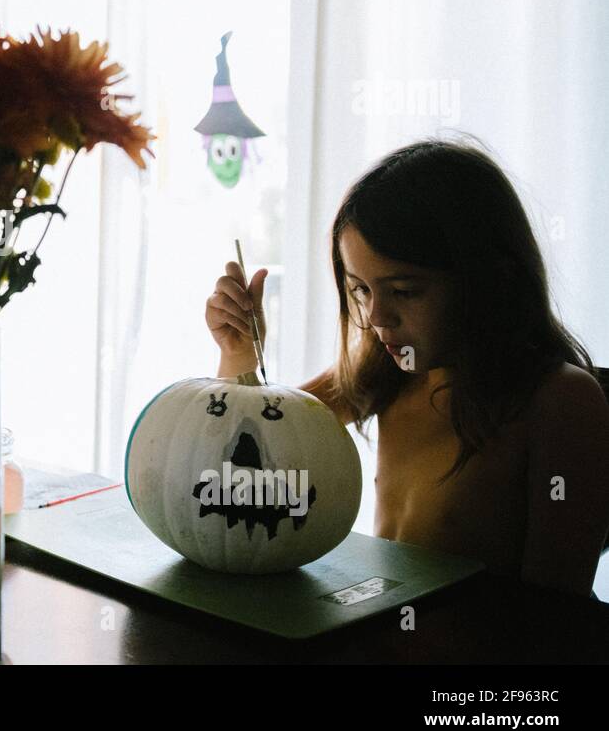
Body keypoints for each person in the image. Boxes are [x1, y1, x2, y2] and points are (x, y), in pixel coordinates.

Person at [206, 139, 609, 597]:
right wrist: (239, 354)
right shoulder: (386, 375)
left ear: (487, 279)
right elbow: (250, 451)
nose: (377, 318)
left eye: (404, 291)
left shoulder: (559, 400)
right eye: (360, 290)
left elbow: (556, 616)